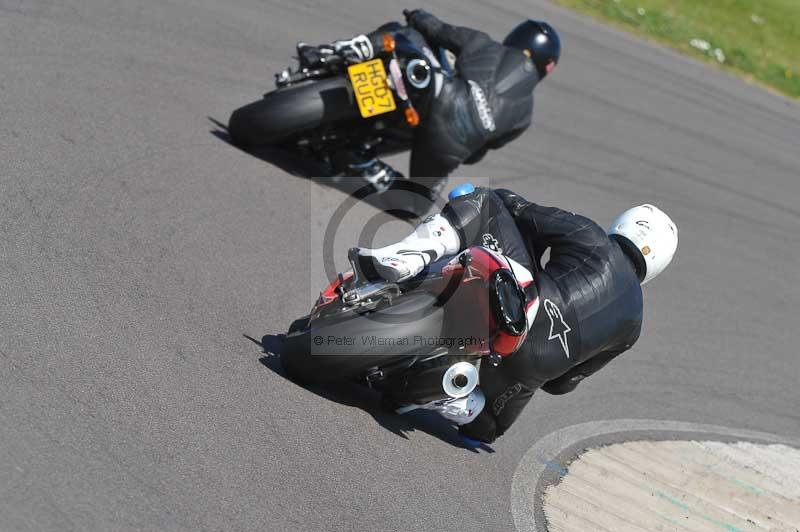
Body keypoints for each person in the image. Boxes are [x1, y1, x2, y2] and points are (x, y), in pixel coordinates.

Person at [357, 186, 678, 444]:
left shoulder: (591, 235)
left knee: (485, 203)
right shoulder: (633, 326)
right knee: (485, 430)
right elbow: (562, 385)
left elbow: (522, 211)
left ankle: (407, 258)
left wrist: (502, 197)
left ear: (623, 224)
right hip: (531, 368)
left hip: (522, 310)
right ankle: (456, 397)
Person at [298, 10, 561, 198]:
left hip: (441, 95)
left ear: (517, 38)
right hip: (453, 146)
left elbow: (438, 30)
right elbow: (476, 155)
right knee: (417, 202)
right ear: (547, 67)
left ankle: (340, 51)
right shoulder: (525, 115)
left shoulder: (486, 45)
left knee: (408, 35)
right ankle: (365, 163)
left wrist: (417, 15)